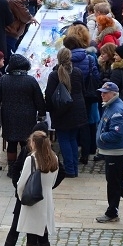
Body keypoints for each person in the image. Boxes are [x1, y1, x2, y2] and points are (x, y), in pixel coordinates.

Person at [16, 130, 59, 246]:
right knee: (44, 238)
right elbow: (53, 181)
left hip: (34, 202)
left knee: (31, 239)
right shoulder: (53, 158)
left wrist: (22, 198)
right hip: (47, 200)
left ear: (34, 143)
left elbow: (21, 184)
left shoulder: (31, 160)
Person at [94, 81, 123, 223]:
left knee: (113, 183)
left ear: (113, 94)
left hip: (116, 152)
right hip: (113, 152)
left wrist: (101, 137)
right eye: (101, 92)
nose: (102, 94)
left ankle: (112, 212)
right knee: (115, 181)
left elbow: (117, 133)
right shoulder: (112, 106)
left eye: (105, 92)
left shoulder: (116, 111)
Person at [0, 54, 45, 168]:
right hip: (27, 115)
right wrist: (42, 113)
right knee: (26, 143)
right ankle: (24, 166)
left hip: (9, 115)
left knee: (11, 142)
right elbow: (39, 99)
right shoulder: (30, 80)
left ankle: (12, 168)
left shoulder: (4, 79)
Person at [45, 47, 88, 178]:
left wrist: (48, 108)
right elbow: (83, 90)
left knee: (64, 139)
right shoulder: (77, 72)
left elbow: (49, 95)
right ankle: (73, 168)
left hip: (61, 111)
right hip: (77, 109)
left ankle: (69, 169)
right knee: (72, 139)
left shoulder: (54, 75)